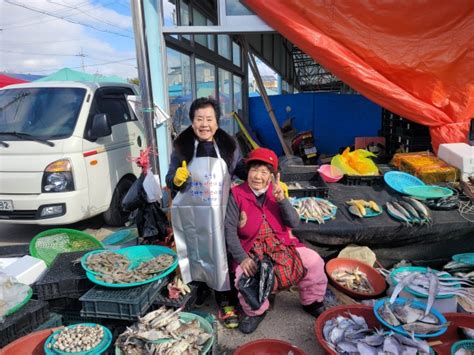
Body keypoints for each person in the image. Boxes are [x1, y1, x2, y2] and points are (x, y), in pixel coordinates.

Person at [225, 147, 328, 334]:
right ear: (247, 171)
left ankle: (312, 301)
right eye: (254, 170)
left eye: (264, 172)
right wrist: (242, 258)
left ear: (272, 176)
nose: (258, 176)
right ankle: (256, 311)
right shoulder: (236, 194)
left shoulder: (277, 192)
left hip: (280, 244)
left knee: (314, 261)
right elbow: (229, 232)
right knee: (245, 275)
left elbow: (294, 222)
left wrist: (282, 200)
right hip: (251, 249)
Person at [166, 97, 242, 329]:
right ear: (192, 122)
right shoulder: (182, 147)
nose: (204, 124)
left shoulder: (229, 147)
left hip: (220, 212)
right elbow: (170, 178)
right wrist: (175, 181)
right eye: (199, 119)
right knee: (195, 248)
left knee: (222, 251)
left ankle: (224, 297)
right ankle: (198, 288)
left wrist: (265, 174)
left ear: (217, 123)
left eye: (209, 119)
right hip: (192, 213)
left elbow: (242, 169)